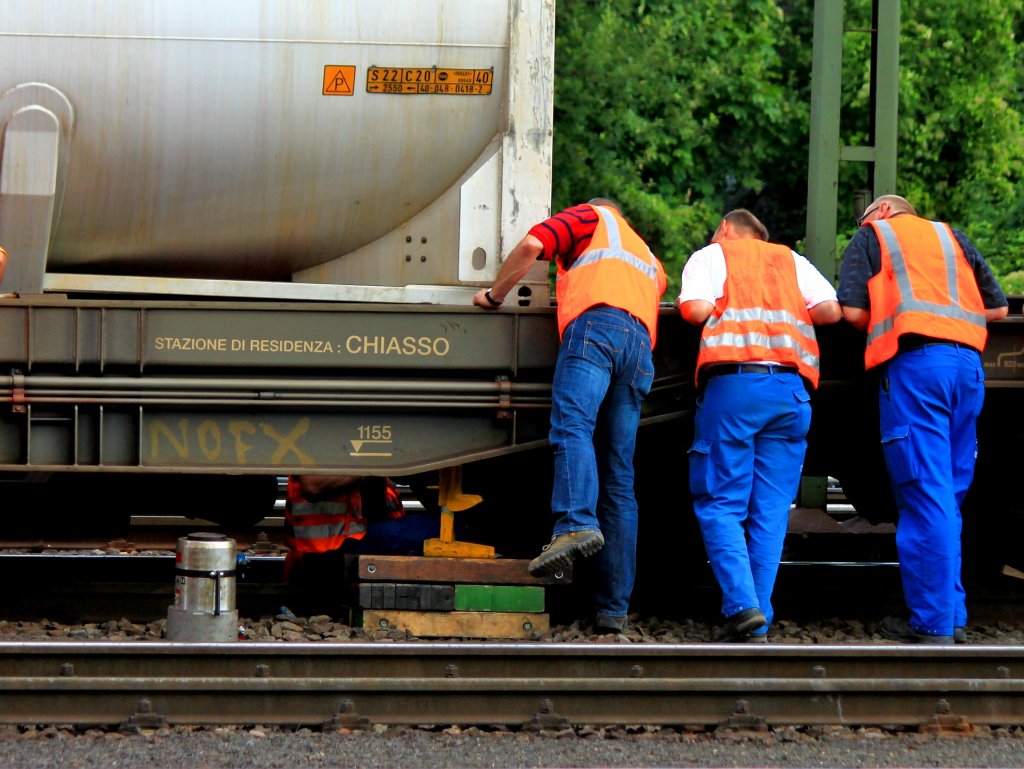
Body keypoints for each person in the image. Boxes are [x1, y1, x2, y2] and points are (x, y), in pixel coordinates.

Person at [473, 198, 667, 634]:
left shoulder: (590, 217)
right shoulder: (646, 254)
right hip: (640, 348)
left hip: (596, 329)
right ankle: (613, 610)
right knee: (619, 477)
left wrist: (494, 295)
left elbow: (532, 245)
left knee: (573, 426)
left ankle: (576, 522)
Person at [837, 194, 1008, 645]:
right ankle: (951, 614)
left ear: (882, 211)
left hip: (918, 367)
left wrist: (897, 318)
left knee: (924, 493)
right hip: (968, 369)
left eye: (864, 216)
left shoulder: (874, 235)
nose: (862, 222)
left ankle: (932, 622)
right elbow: (998, 309)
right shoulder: (952, 237)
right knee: (947, 494)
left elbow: (852, 312)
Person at [679, 209, 841, 642]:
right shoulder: (791, 260)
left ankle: (742, 606)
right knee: (770, 513)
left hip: (736, 390)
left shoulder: (712, 256)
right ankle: (757, 622)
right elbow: (830, 311)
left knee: (721, 502)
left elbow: (694, 311)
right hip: (791, 393)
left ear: (726, 229)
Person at [284, 475, 438, 609]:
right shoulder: (346, 465)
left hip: (356, 553)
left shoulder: (370, 476)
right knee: (435, 529)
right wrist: (372, 469)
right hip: (321, 561)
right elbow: (313, 487)